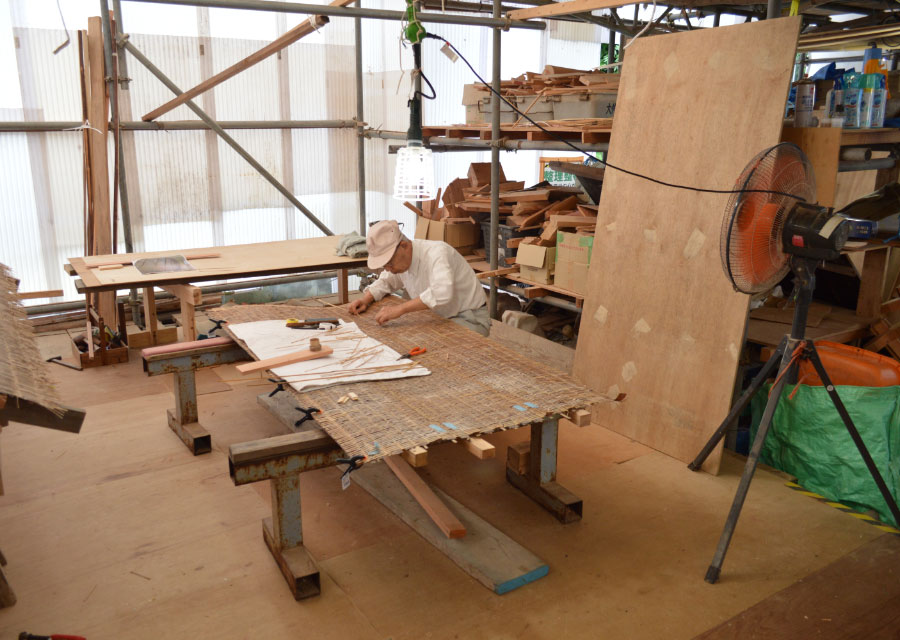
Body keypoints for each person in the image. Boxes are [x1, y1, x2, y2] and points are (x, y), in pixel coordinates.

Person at [348, 219, 490, 336]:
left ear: (404, 246)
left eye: (390, 263)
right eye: (385, 266)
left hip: (469, 318)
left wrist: (400, 309)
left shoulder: (437, 253)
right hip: (438, 317)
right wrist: (365, 299)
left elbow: (442, 292)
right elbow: (387, 281)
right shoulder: (399, 263)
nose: (389, 269)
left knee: (430, 348)